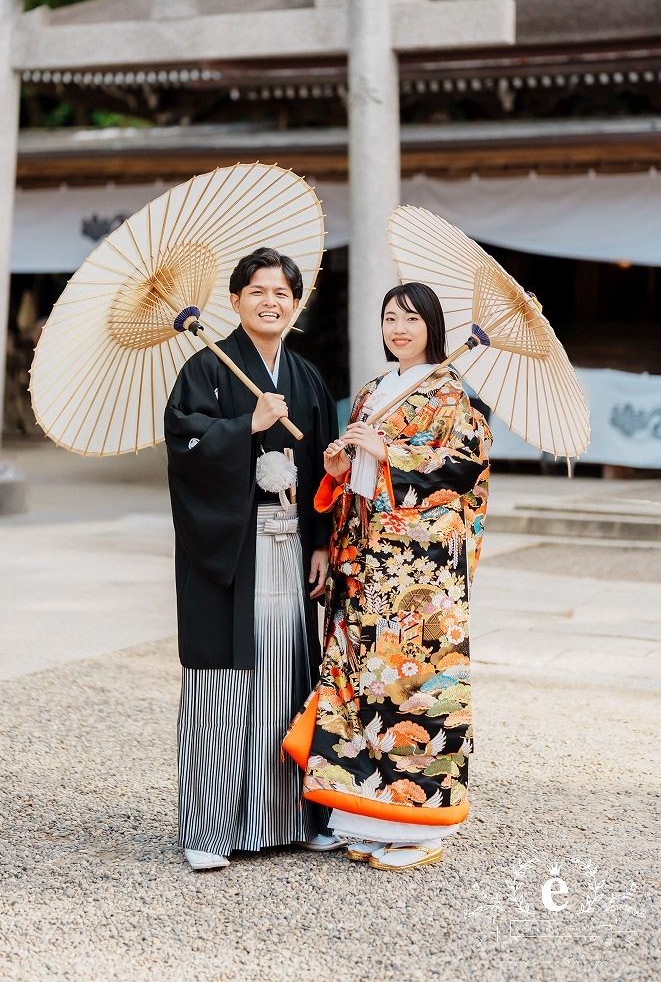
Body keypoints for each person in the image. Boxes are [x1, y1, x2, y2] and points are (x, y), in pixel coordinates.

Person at [299, 282, 490, 872]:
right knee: (359, 685)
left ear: (432, 325)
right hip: (364, 562)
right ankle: (365, 816)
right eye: (389, 318)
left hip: (418, 576)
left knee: (412, 687)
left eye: (411, 318)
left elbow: (464, 469)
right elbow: (356, 483)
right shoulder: (371, 392)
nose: (399, 329)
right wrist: (339, 468)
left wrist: (390, 454)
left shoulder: (451, 394)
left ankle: (419, 828)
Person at [164, 247, 340, 871]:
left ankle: (294, 818)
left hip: (291, 546)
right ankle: (209, 831)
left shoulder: (307, 378)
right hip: (230, 552)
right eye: (258, 291)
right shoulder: (204, 369)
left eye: (282, 293)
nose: (271, 302)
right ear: (235, 301)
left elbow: (323, 468)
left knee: (288, 675)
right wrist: (246, 426)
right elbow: (184, 446)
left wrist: (321, 541)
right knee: (222, 687)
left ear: (297, 303)